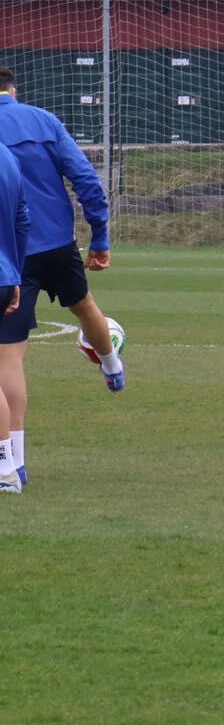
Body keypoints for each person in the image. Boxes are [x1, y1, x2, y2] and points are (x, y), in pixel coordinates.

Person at [0, 66, 121, 489]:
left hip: (10, 254)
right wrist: (99, 235)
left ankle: (14, 464)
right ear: (13, 89)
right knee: (84, 305)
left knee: (9, 356)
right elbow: (85, 178)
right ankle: (111, 364)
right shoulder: (43, 120)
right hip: (56, 243)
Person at [0, 143, 28, 494]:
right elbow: (23, 219)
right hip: (6, 276)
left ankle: (5, 468)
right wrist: (16, 274)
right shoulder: (7, 156)